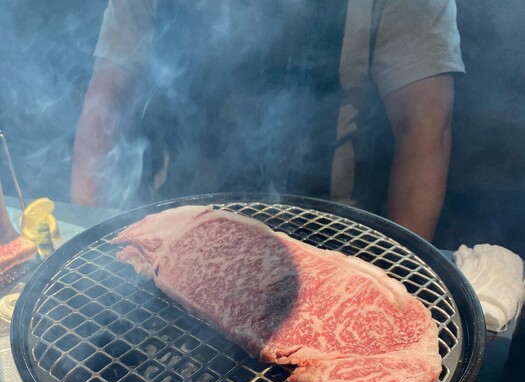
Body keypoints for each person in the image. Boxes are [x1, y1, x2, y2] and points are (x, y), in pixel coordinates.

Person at [71, 0, 464, 242]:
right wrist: (89, 240)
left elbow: (424, 125)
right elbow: (108, 100)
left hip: (325, 232)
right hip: (178, 220)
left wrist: (402, 286)